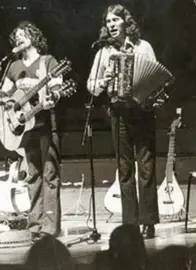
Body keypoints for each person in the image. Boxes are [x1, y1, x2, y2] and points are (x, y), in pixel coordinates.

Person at [87, 4, 159, 239]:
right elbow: (91, 87)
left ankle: (148, 222)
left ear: (125, 22)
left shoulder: (143, 47)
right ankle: (130, 223)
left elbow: (156, 77)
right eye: (108, 22)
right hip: (118, 112)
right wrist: (103, 81)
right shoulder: (103, 53)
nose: (111, 25)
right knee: (125, 170)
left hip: (142, 112)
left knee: (146, 168)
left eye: (115, 20)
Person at [0, 21, 64, 238]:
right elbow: (5, 94)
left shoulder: (48, 62)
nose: (18, 38)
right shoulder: (13, 66)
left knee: (50, 174)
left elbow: (57, 89)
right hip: (26, 128)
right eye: (15, 37)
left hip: (48, 123)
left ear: (33, 37)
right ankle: (35, 225)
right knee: (33, 175)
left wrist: (52, 97)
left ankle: (49, 227)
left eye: (23, 34)